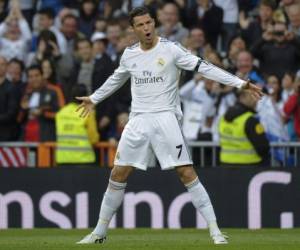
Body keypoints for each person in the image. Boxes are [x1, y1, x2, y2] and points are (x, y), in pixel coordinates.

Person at [75, 6, 263, 245]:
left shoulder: (172, 49)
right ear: (133, 29)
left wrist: (240, 84)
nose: (146, 28)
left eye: (149, 23)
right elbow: (116, 78)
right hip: (138, 119)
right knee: (118, 172)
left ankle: (215, 230)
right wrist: (94, 98)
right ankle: (99, 232)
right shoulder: (129, 54)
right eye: (141, 25)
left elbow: (204, 67)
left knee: (186, 172)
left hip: (166, 117)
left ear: (154, 23)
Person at [219, 89, 270, 166]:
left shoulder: (224, 117)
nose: (256, 100)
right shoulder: (250, 120)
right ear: (242, 97)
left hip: (225, 164)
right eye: (252, 96)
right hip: (249, 165)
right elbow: (263, 147)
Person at [55, 84, 99, 165]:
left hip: (62, 159)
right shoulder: (87, 112)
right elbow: (93, 138)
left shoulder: (61, 113)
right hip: (83, 159)